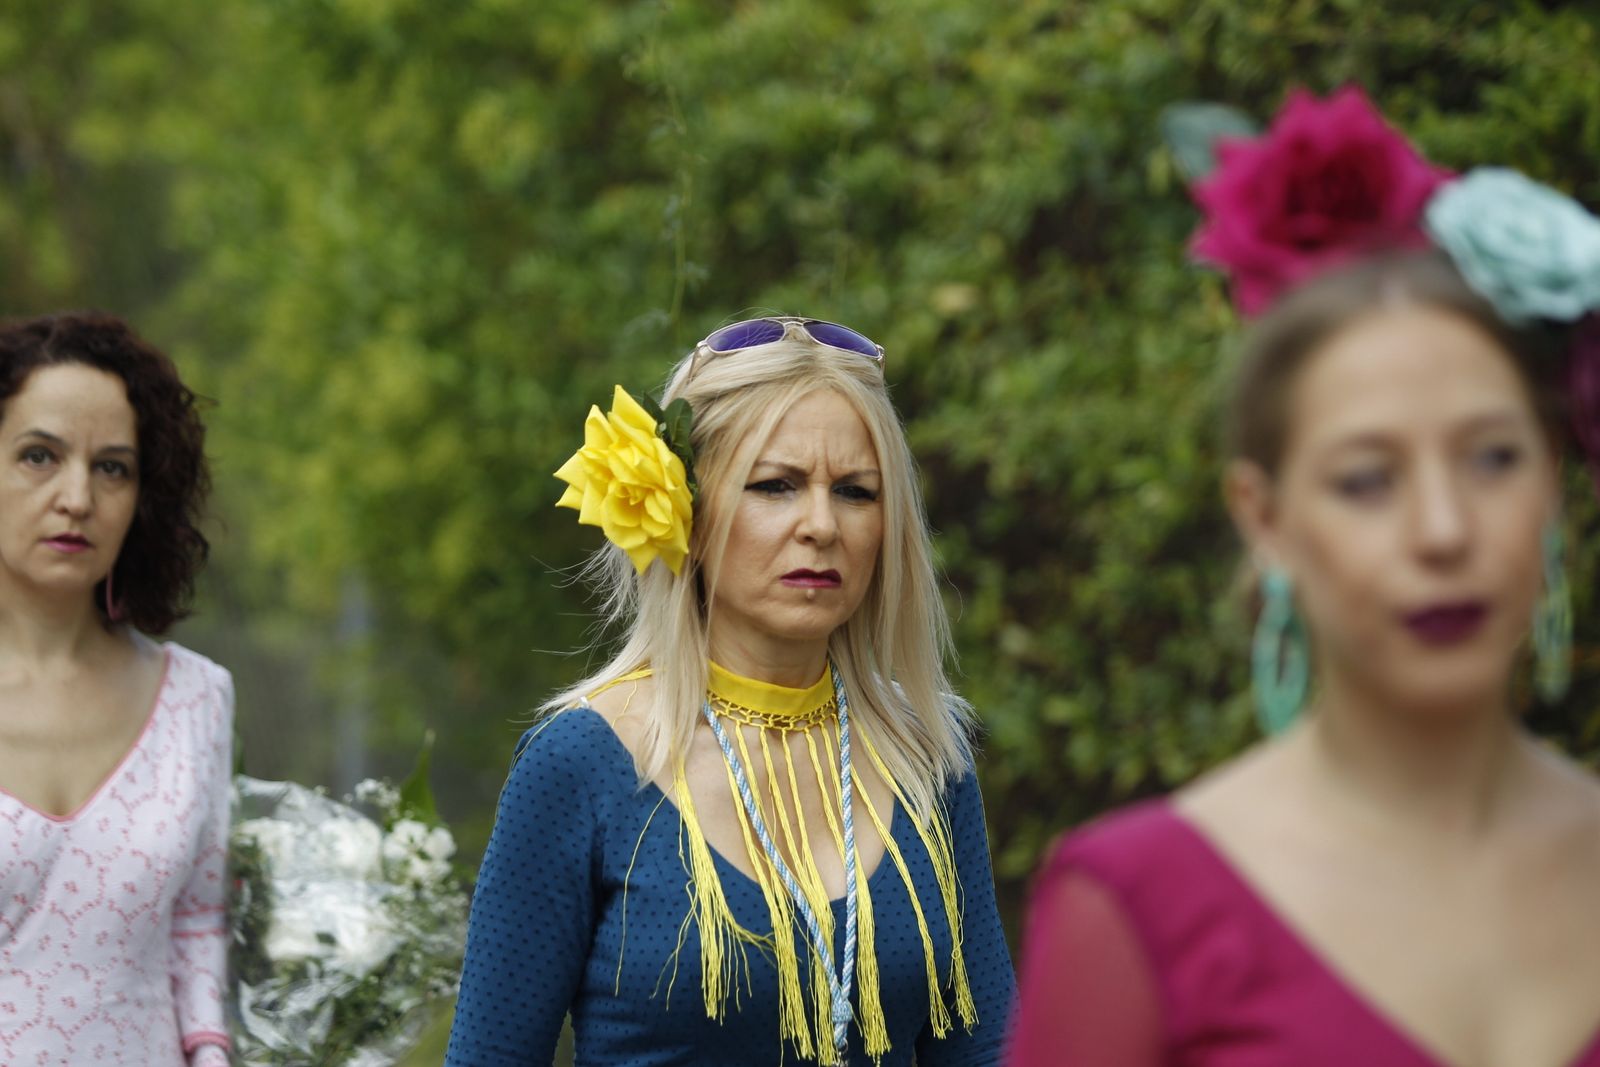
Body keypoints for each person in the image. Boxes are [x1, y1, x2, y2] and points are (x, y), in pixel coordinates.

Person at [1009, 88, 1600, 1067]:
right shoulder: (1136, 906)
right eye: (1366, 479)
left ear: (1552, 479)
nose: (1443, 530)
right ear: (1265, 519)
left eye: (1492, 458)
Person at [447, 318, 1014, 1065]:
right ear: (687, 507)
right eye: (775, 485)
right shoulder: (582, 765)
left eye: (854, 491)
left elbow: (990, 1049)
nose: (821, 524)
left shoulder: (927, 756)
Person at [0, 313, 232, 1066]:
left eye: (113, 467)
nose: (77, 496)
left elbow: (197, 921)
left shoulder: (197, 698)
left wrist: (213, 1053)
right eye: (40, 455)